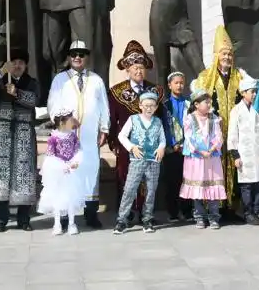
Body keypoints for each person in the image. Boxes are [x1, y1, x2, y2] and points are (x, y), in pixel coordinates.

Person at [48, 40, 108, 228]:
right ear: (68, 57)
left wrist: (104, 128)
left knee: (90, 171)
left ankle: (91, 214)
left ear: (87, 57)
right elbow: (53, 104)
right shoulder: (60, 79)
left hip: (89, 134)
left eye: (81, 54)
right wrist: (62, 123)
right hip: (67, 135)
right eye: (74, 54)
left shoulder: (96, 80)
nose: (77, 57)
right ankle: (65, 216)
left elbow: (103, 105)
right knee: (67, 173)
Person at [106, 40, 167, 224]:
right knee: (126, 177)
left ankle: (146, 213)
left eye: (141, 67)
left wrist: (164, 144)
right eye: (135, 67)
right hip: (128, 145)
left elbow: (162, 119)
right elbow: (111, 119)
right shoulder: (117, 91)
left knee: (149, 179)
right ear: (128, 70)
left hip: (151, 145)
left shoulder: (155, 90)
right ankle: (128, 212)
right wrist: (113, 142)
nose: (139, 71)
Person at [191, 26, 250, 213]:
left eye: (230, 55)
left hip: (235, 132)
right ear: (217, 55)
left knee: (235, 167)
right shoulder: (204, 78)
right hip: (213, 134)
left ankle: (232, 208)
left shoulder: (239, 76)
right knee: (214, 170)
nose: (227, 58)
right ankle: (213, 209)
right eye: (224, 54)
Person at [0, 49, 40, 232]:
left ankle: (24, 219)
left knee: (24, 176)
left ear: (26, 65)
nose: (17, 66)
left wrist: (18, 93)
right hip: (2, 132)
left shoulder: (31, 82)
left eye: (21, 62)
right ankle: (1, 219)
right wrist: (0, 73)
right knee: (1, 176)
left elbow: (35, 100)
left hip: (23, 132)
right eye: (14, 62)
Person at [114, 91, 168, 234]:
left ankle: (147, 218)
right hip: (137, 160)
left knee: (151, 191)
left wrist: (162, 148)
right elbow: (121, 135)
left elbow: (162, 139)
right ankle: (122, 220)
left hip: (153, 161)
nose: (148, 108)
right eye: (146, 105)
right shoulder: (133, 119)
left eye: (152, 105)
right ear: (140, 106)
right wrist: (131, 147)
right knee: (130, 189)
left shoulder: (158, 122)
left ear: (156, 107)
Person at [180, 88, 226, 229]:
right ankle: (199, 217)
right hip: (196, 158)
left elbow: (219, 136)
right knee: (197, 187)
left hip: (212, 157)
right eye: (206, 102)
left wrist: (211, 149)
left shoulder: (214, 118)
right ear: (196, 104)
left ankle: (214, 217)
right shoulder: (189, 119)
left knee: (213, 186)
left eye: (209, 102)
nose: (208, 105)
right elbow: (189, 138)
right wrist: (200, 151)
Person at [226, 76, 259, 225]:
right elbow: (232, 134)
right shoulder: (236, 110)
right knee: (246, 185)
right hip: (244, 153)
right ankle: (248, 212)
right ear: (243, 93)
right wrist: (235, 155)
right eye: (252, 91)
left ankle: (258, 210)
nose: (255, 94)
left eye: (256, 91)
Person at [39, 111, 86, 236]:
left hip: (71, 172)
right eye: (70, 120)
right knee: (57, 198)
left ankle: (71, 223)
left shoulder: (73, 137)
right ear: (62, 122)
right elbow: (50, 156)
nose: (73, 122)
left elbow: (78, 150)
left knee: (71, 197)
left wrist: (75, 162)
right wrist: (61, 166)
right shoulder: (53, 138)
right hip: (58, 173)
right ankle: (57, 223)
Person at [160, 71, 190, 223]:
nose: (179, 85)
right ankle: (172, 211)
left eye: (181, 83)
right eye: (176, 83)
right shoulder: (165, 105)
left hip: (187, 147)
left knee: (188, 179)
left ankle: (187, 210)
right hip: (172, 149)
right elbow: (164, 126)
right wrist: (173, 143)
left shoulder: (189, 103)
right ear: (169, 85)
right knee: (172, 180)